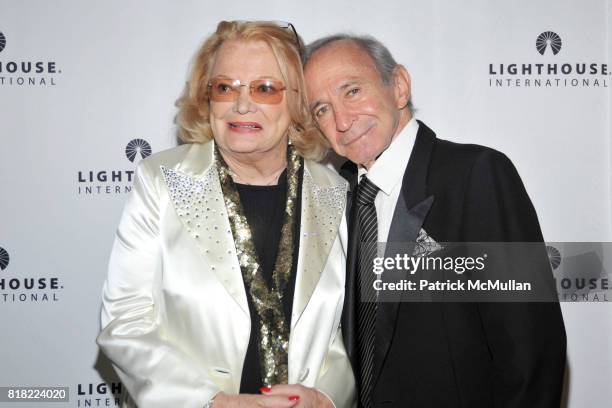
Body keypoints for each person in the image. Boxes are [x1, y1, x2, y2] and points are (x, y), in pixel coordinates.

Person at [97, 21, 356, 408]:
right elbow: (124, 322)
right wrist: (214, 402)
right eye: (225, 87)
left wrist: (327, 399)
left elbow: (344, 333)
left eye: (265, 88)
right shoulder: (161, 182)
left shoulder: (334, 191)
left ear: (298, 101)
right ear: (207, 98)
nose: (241, 104)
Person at [303, 34, 566, 407]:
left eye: (352, 92)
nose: (342, 121)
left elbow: (531, 350)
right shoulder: (331, 196)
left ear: (398, 87)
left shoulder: (476, 176)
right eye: (322, 110)